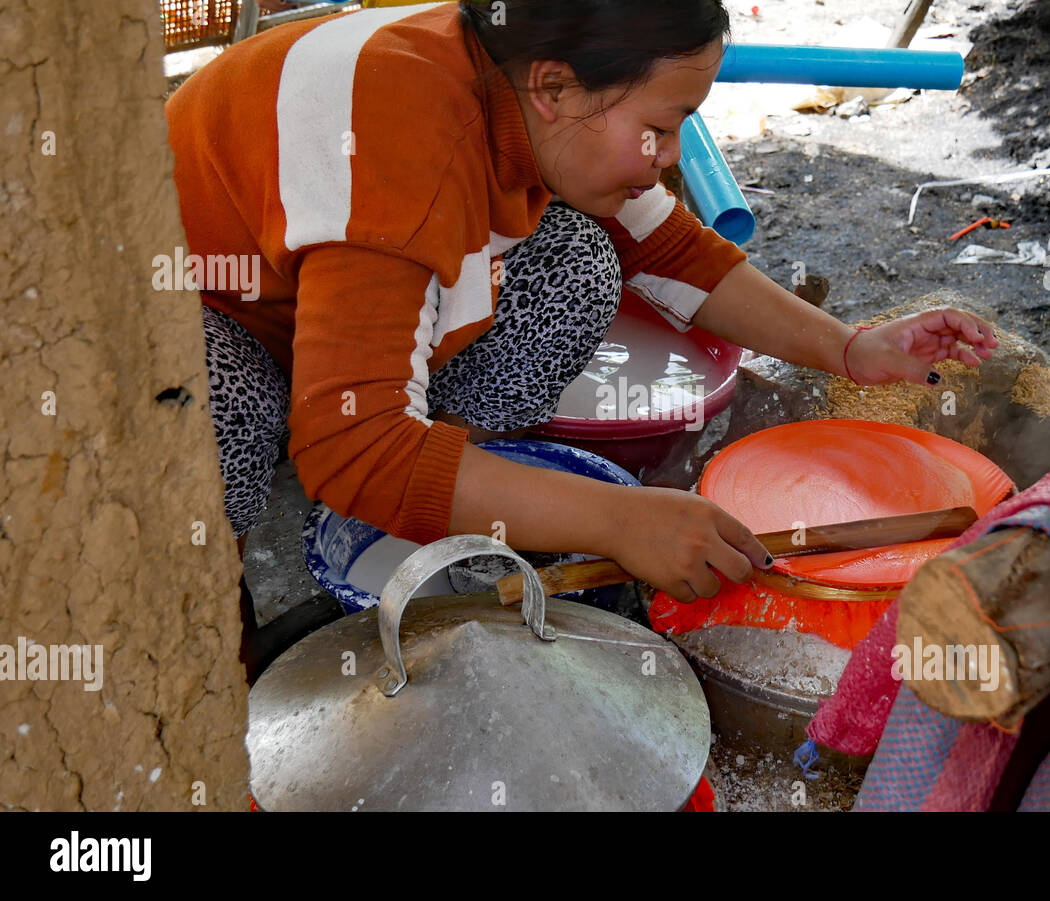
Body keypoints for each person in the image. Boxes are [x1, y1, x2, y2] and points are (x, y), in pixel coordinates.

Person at [166, 0, 998, 610]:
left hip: (335, 300)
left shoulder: (517, 79)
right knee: (227, 411)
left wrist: (852, 349)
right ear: (555, 88)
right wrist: (620, 520)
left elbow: (670, 250)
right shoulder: (404, 141)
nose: (668, 157)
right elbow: (351, 446)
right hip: (202, 315)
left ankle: (446, 492)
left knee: (573, 264)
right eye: (663, 127)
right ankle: (201, 633)